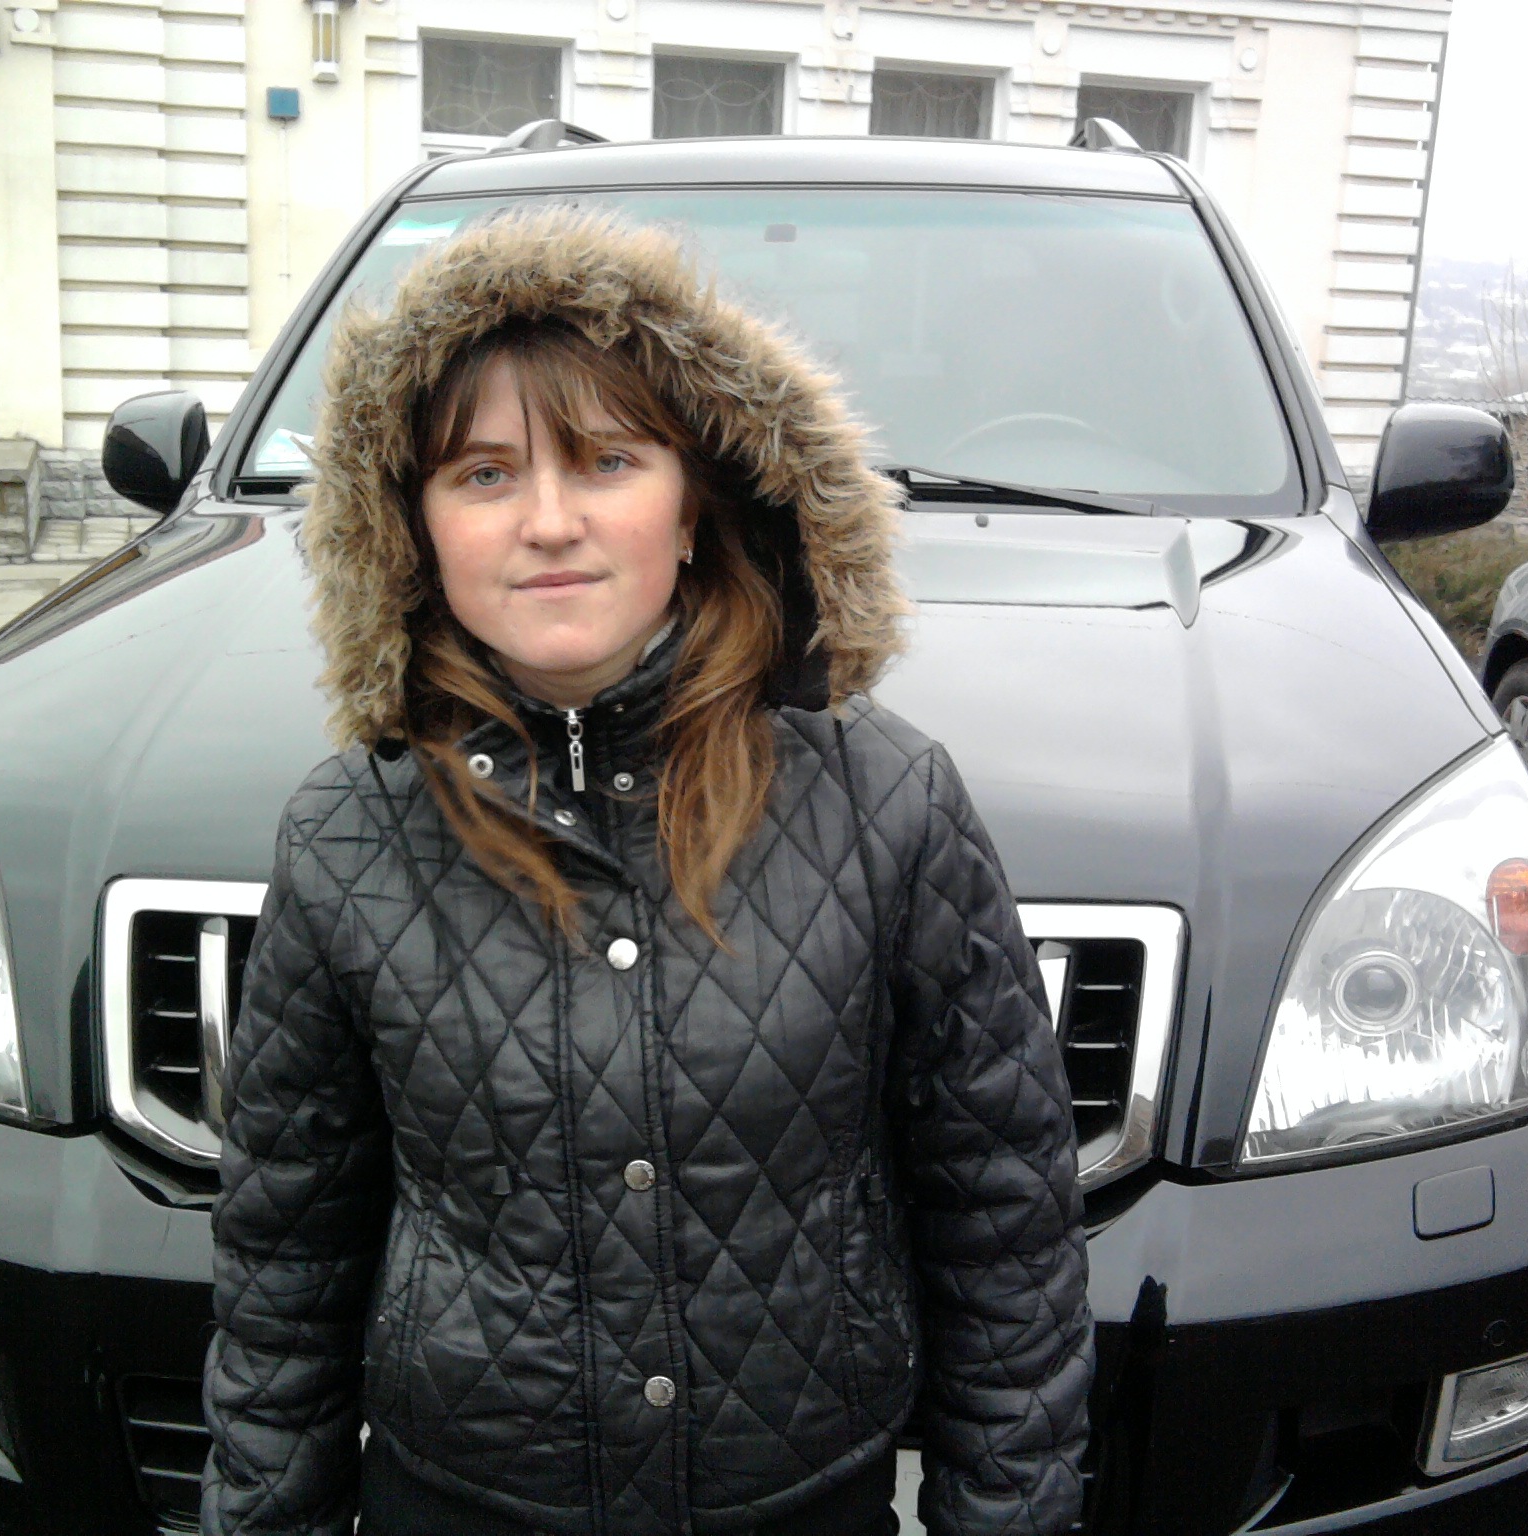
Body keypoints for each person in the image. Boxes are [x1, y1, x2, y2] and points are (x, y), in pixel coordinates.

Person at [202, 205, 1093, 1536]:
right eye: (484, 474)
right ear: (414, 527)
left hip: (801, 1502)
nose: (549, 521)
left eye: (607, 460)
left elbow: (1005, 1223)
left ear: (692, 508)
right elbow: (284, 1258)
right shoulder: (346, 834)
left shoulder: (888, 802)